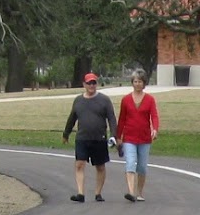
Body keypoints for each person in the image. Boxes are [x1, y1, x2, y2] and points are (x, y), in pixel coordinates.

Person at [61, 72, 118, 201]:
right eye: (89, 83)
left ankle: (98, 193)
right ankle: (80, 193)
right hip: (82, 138)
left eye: (93, 83)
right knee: (79, 164)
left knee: (100, 166)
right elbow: (72, 118)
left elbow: (112, 119)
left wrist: (114, 135)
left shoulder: (104, 100)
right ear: (84, 85)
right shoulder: (78, 100)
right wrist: (66, 134)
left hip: (99, 138)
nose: (91, 85)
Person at [117, 69, 160, 201]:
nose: (137, 84)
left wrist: (155, 129)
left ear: (144, 83)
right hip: (129, 137)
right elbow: (122, 119)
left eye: (140, 81)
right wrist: (119, 137)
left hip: (144, 138)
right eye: (135, 81)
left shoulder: (150, 100)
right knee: (130, 162)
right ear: (132, 83)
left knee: (141, 166)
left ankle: (139, 192)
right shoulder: (125, 100)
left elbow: (154, 116)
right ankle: (131, 192)